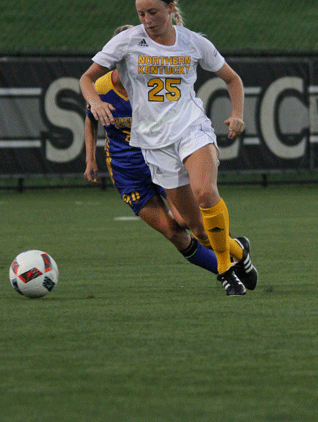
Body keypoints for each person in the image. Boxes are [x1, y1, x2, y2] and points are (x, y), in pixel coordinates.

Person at [80, 0, 258, 296]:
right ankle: (237, 251)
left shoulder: (192, 42)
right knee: (197, 229)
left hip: (191, 127)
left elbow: (232, 79)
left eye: (153, 12)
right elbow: (87, 78)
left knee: (205, 192)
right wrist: (94, 100)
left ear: (171, 9)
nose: (147, 20)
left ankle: (225, 270)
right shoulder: (128, 41)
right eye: (141, 14)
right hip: (153, 144)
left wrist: (237, 114)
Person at [84, 25, 220, 278]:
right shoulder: (101, 87)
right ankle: (226, 272)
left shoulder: (154, 85)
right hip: (128, 171)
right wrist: (90, 158)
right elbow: (90, 117)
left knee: (188, 223)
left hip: (159, 159)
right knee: (173, 233)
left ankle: (231, 251)